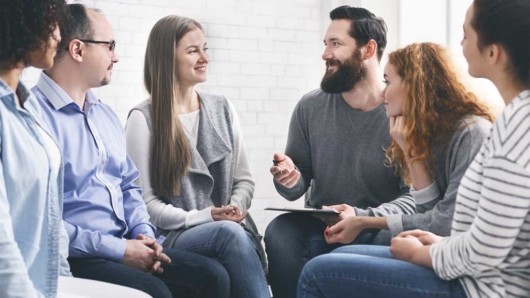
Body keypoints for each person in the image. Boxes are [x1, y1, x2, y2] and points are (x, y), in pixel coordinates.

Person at [298, 0, 530, 297]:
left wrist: (420, 253)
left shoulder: (506, 133)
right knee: (334, 261)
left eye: (466, 34)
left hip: (479, 288)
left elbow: (480, 251)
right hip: (468, 270)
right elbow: (470, 231)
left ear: (493, 53)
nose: (460, 42)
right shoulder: (511, 122)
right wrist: (409, 151)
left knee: (318, 273)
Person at [32, 4, 230, 298]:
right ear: (77, 50)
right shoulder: (33, 118)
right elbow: (43, 221)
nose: (116, 56)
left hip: (127, 242)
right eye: (109, 46)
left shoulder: (105, 115)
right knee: (155, 291)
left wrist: (144, 235)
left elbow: (128, 185)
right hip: (79, 256)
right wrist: (120, 249)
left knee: (212, 276)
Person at [265, 6, 412, 297]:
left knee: (377, 242)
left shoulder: (400, 111)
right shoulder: (310, 107)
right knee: (280, 231)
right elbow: (298, 184)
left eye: (336, 44)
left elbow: (415, 196)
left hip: (375, 225)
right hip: (321, 225)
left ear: (368, 49)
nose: (325, 54)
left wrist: (360, 216)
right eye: (325, 43)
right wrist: (290, 178)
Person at [126, 15, 270, 298]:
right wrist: (207, 217)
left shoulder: (223, 108)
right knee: (228, 235)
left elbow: (244, 181)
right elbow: (146, 204)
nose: (204, 57)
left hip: (229, 226)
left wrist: (234, 211)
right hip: (175, 234)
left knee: (230, 233)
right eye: (193, 51)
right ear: (167, 59)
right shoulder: (143, 119)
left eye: (205, 48)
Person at [323, 42, 493, 245]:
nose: (383, 94)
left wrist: (363, 221)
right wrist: (410, 151)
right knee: (343, 256)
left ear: (415, 85)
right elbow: (427, 212)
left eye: (388, 82)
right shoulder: (429, 135)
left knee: (324, 268)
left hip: (465, 264)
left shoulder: (471, 133)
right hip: (438, 250)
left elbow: (446, 224)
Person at [0, 0, 70, 297]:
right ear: (22, 22)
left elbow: (51, 212)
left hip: (46, 282)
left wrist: (64, 280)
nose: (58, 36)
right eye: (51, 21)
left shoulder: (27, 105)